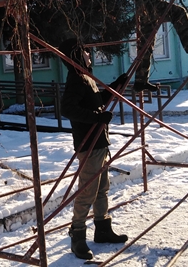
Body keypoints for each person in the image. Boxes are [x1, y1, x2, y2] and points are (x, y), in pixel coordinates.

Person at [59, 38, 128, 260]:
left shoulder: (86, 77)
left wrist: (117, 85)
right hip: (88, 144)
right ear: (78, 57)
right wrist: (97, 118)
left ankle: (103, 229)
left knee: (101, 189)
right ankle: (77, 236)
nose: (90, 55)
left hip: (99, 142)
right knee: (87, 190)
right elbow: (68, 109)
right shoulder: (76, 78)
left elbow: (97, 100)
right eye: (86, 53)